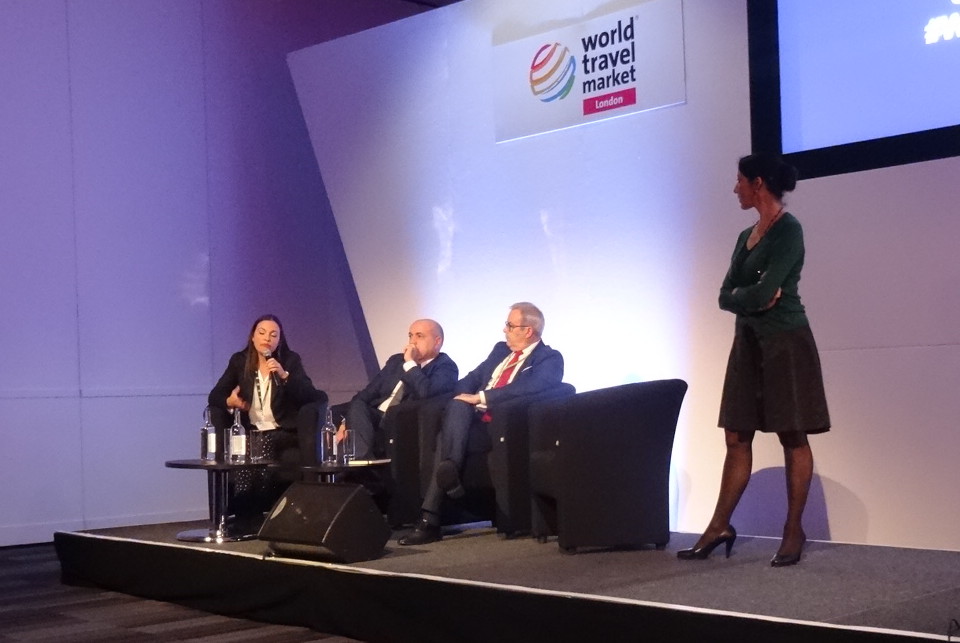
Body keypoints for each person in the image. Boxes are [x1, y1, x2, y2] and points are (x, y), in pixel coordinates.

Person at [678, 153, 830, 567]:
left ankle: (793, 530)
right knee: (735, 435)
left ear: (757, 183)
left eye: (740, 181)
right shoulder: (746, 235)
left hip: (785, 341)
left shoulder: (789, 230)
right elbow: (724, 295)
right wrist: (752, 297)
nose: (735, 189)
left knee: (792, 435)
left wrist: (751, 295)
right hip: (747, 343)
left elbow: (765, 292)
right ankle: (719, 526)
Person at [399, 302, 564, 546]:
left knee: (446, 438)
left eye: (510, 325)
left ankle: (430, 517)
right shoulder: (500, 352)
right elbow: (471, 378)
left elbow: (533, 386)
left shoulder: (549, 358)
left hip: (505, 424)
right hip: (473, 420)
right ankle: (449, 473)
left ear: (528, 331)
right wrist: (461, 395)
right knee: (456, 406)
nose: (505, 330)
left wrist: (482, 397)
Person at [208, 314, 326, 520]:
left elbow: (312, 396)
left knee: (259, 445)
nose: (267, 338)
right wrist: (231, 402)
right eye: (262, 333)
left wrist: (284, 376)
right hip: (252, 431)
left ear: (279, 340)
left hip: (282, 431)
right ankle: (244, 513)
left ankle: (249, 512)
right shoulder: (239, 361)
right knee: (249, 446)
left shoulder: (290, 360)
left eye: (273, 335)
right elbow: (215, 395)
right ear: (253, 337)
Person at [338, 319, 458, 462]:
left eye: (419, 336)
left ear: (437, 342)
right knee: (355, 406)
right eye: (410, 335)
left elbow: (426, 393)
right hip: (376, 418)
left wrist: (411, 364)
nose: (412, 342)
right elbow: (365, 395)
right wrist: (346, 422)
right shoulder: (396, 361)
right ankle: (361, 460)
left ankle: (359, 464)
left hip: (403, 421)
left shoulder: (446, 367)